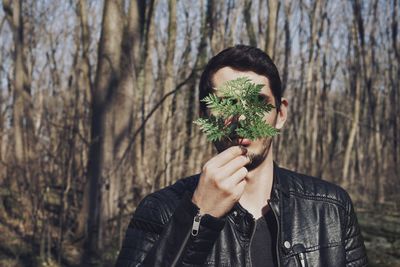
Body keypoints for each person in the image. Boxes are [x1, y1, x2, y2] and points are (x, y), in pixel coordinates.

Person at [115, 45, 367, 267]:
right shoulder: (161, 210)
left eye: (257, 102)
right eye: (227, 104)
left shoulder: (331, 208)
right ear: (204, 116)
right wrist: (198, 217)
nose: (242, 119)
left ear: (280, 114)